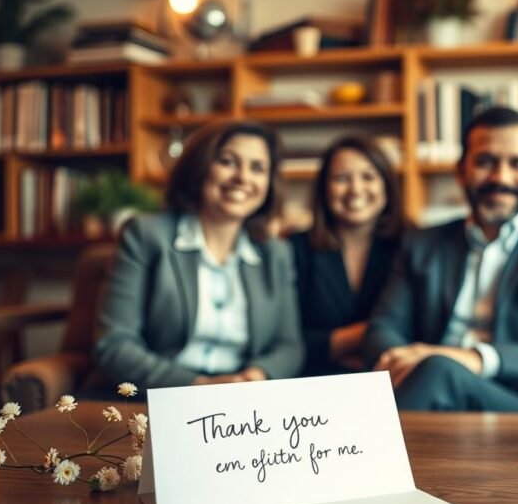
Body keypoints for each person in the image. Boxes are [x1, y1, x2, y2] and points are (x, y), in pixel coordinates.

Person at [364, 107, 518, 411]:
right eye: (485, 162)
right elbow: (384, 328)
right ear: (461, 171)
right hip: (431, 396)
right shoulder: (422, 244)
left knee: (439, 372)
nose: (500, 177)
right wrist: (402, 359)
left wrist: (474, 359)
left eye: (517, 163)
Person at [95, 119, 302, 389]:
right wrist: (197, 384)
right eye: (228, 161)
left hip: (242, 402)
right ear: (200, 167)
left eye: (258, 168)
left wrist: (255, 376)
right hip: (160, 396)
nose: (243, 178)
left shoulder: (277, 253)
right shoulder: (146, 235)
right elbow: (114, 343)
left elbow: (290, 346)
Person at [289, 136, 406, 377]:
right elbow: (287, 341)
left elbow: (422, 331)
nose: (355, 190)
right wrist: (369, 334)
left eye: (368, 177)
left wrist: (334, 343)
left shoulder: (411, 246)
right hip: (312, 384)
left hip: (391, 383)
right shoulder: (294, 249)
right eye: (342, 178)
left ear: (386, 185)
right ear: (324, 189)